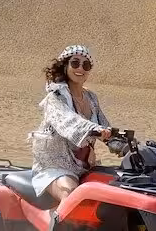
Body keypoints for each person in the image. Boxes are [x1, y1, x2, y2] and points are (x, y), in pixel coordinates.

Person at [29, 44, 126, 203]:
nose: (80, 68)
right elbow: (68, 121)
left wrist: (121, 142)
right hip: (55, 165)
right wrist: (94, 129)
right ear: (66, 66)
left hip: (84, 166)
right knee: (71, 195)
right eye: (75, 63)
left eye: (86, 65)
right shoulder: (56, 96)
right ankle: (57, 227)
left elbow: (104, 125)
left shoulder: (91, 98)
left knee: (117, 189)